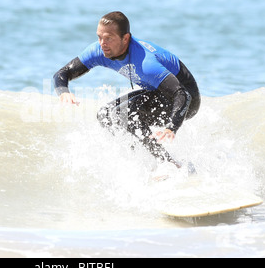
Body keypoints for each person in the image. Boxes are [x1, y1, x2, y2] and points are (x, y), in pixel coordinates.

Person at [53, 11, 200, 168]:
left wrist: (172, 127)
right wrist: (64, 92)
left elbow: (181, 93)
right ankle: (146, 162)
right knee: (105, 115)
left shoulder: (146, 63)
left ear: (126, 39)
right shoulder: (99, 51)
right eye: (99, 37)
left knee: (124, 114)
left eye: (108, 38)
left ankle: (168, 163)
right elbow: (62, 73)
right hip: (157, 91)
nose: (102, 43)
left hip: (185, 100)